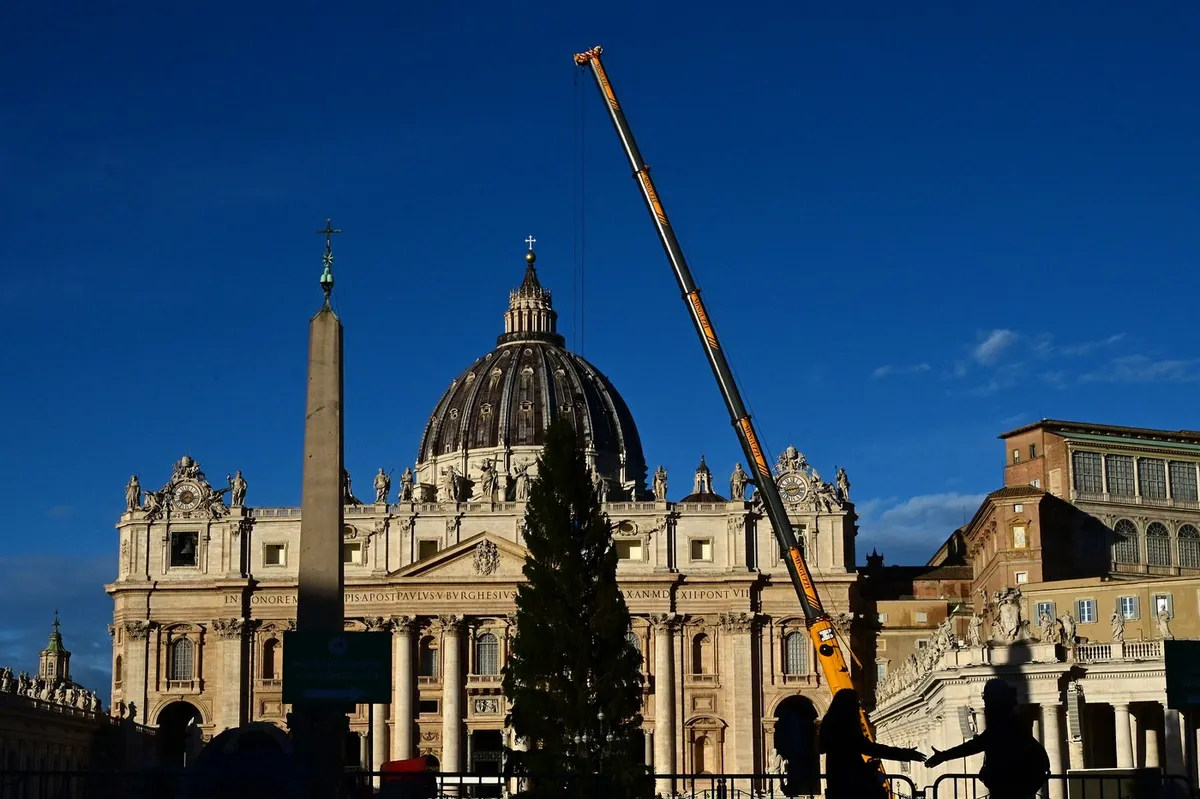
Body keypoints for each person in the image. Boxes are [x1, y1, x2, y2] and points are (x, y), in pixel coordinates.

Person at [926, 678, 1050, 799]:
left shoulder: (1004, 726)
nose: (985, 704)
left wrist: (944, 756)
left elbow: (975, 746)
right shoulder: (1011, 724)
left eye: (986, 699)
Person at [818, 688, 925, 799]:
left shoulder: (829, 721)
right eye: (856, 703)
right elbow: (868, 748)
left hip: (837, 782)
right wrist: (903, 754)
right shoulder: (845, 724)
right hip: (852, 784)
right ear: (848, 705)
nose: (859, 707)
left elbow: (823, 748)